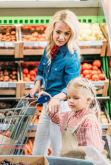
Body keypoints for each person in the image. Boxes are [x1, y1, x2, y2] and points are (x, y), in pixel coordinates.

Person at [30, 10, 81, 156]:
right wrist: (36, 85)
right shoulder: (49, 48)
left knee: (58, 152)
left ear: (72, 34)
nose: (61, 37)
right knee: (38, 151)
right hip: (48, 104)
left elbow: (71, 87)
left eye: (66, 33)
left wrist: (57, 98)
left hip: (62, 107)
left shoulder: (71, 56)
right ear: (52, 29)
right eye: (58, 31)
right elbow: (40, 71)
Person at [39, 77, 105, 159]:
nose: (70, 101)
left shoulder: (89, 121)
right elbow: (55, 118)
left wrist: (74, 148)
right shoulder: (68, 115)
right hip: (67, 161)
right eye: (69, 97)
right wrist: (49, 100)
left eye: (76, 98)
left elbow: (95, 148)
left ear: (88, 100)